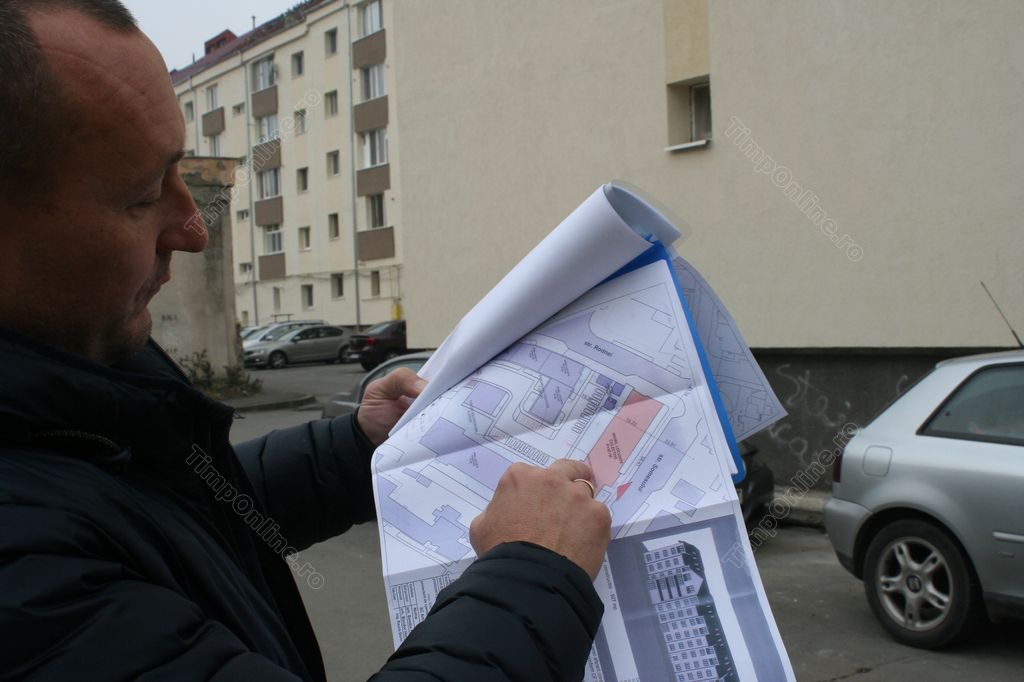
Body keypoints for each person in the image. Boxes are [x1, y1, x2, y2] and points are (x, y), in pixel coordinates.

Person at [0, 2, 612, 680]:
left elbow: (181, 516)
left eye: (180, 169)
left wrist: (359, 447)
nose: (193, 228)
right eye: (142, 196)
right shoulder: (20, 571)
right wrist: (535, 572)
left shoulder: (79, 374)